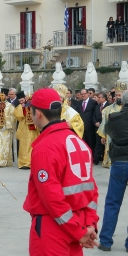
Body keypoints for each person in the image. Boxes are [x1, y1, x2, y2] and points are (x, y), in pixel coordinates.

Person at [23, 88, 99, 256]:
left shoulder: (44, 148)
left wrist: (78, 231)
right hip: (78, 222)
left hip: (53, 227)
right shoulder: (79, 142)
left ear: (38, 114)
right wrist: (89, 224)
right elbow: (91, 190)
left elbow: (52, 198)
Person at [98, 91, 128, 251]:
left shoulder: (113, 117)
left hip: (119, 162)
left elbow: (108, 132)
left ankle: (106, 241)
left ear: (121, 102)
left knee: (112, 203)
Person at [97, 81, 127, 168]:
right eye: (117, 95)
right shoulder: (108, 109)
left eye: (120, 95)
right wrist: (103, 136)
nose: (118, 97)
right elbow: (105, 122)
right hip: (111, 137)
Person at [13, 91, 40, 170]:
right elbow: (18, 116)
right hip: (24, 127)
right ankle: (23, 162)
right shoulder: (19, 106)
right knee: (23, 146)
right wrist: (22, 107)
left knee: (32, 144)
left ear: (25, 98)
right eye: (20, 101)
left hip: (33, 128)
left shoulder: (33, 105)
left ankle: (32, 162)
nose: (21, 101)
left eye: (22, 100)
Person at [75, 88, 98, 155]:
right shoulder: (78, 103)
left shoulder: (93, 102)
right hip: (81, 127)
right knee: (82, 143)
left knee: (91, 143)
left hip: (90, 126)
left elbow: (95, 114)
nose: (83, 95)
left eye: (84, 94)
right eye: (82, 94)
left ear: (88, 94)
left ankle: (91, 156)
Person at [93, 92, 110, 165]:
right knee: (98, 144)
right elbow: (93, 116)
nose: (98, 99)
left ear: (104, 98)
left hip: (106, 129)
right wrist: (95, 122)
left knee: (105, 144)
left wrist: (101, 123)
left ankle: (104, 159)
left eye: (99, 97)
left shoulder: (109, 106)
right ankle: (96, 159)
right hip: (97, 129)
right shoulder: (97, 106)